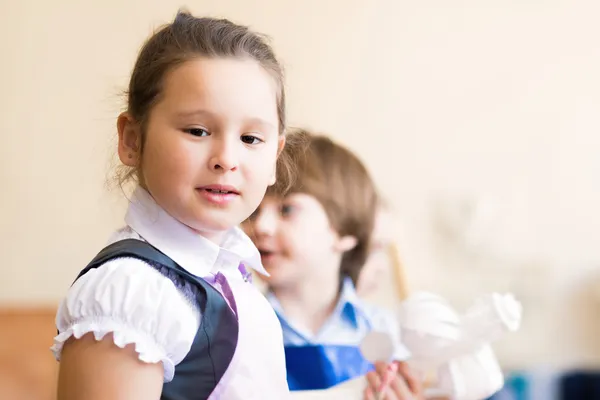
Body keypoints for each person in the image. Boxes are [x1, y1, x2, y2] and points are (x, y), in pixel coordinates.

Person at [52, 10, 295, 400]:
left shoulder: (229, 272)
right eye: (197, 131)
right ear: (132, 139)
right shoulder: (133, 291)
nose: (226, 159)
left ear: (275, 157)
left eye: (251, 139)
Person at [244, 129, 424, 399]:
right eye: (255, 209)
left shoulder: (386, 332)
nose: (261, 226)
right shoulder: (238, 327)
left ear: (343, 230)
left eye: (287, 209)